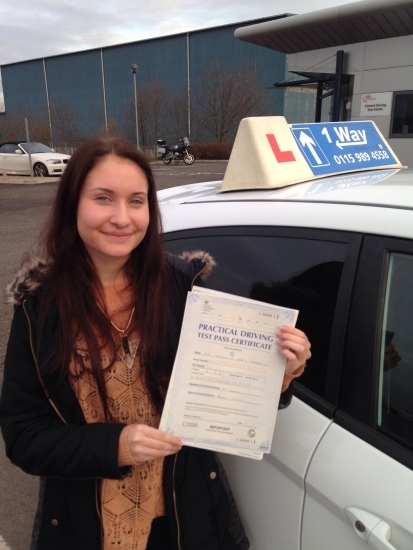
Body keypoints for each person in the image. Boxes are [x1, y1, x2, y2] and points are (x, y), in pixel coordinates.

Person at [0, 137, 311, 550]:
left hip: (187, 519)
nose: (121, 217)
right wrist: (114, 446)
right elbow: (24, 438)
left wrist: (278, 371)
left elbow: (222, 398)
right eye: (103, 198)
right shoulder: (39, 307)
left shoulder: (184, 286)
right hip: (88, 527)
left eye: (136, 201)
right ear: (73, 203)